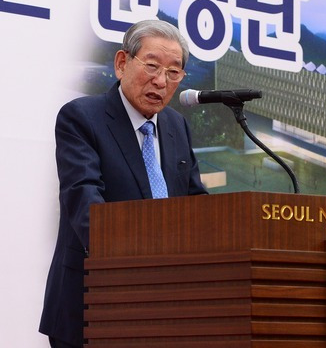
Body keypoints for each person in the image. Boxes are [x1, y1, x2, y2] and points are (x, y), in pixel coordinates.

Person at [39, 20, 208, 347]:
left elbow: (195, 204)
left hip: (166, 308)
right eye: (152, 66)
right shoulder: (81, 118)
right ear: (122, 63)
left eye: (174, 73)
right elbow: (85, 203)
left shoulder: (176, 126)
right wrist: (145, 262)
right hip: (91, 305)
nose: (161, 81)